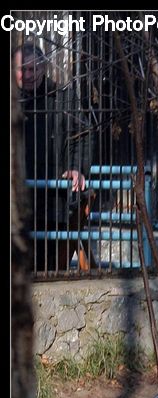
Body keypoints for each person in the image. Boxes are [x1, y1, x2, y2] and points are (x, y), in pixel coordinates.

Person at [13, 42, 95, 272]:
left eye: (33, 69)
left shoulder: (63, 98)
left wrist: (77, 168)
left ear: (43, 68)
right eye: (22, 70)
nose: (27, 75)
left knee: (47, 269)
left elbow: (83, 135)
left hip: (52, 202)